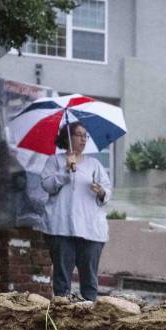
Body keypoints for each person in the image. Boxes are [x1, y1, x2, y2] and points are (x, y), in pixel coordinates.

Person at [41, 122, 113, 301]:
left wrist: (101, 191)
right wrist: (66, 170)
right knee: (62, 281)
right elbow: (47, 186)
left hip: (90, 229)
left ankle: (89, 313)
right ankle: (62, 311)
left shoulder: (94, 164)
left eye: (85, 135)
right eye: (79, 135)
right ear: (68, 137)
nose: (83, 139)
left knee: (89, 280)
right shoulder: (54, 161)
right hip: (61, 228)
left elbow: (107, 190)